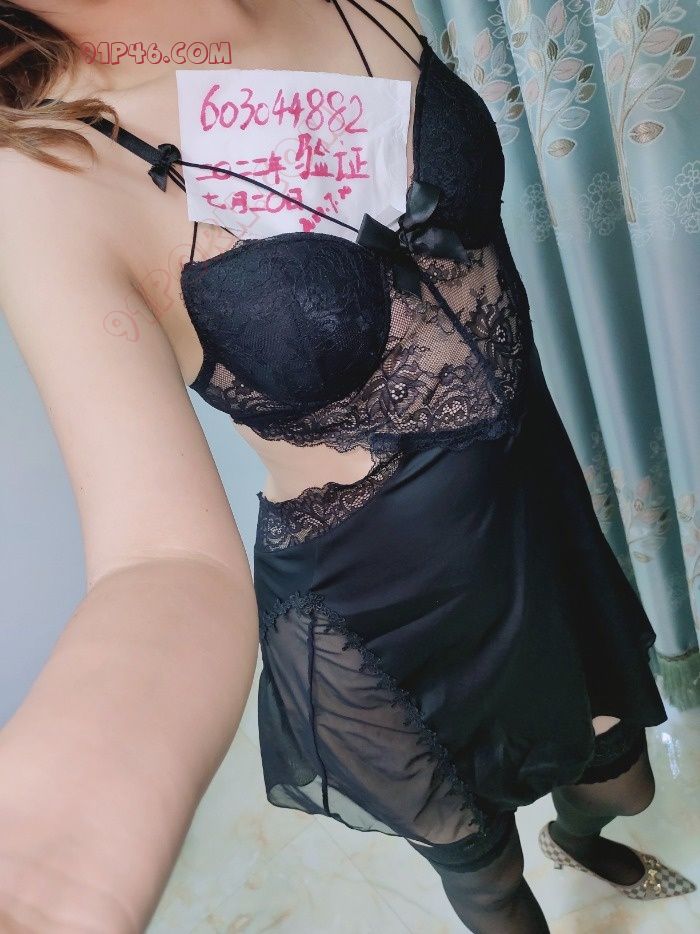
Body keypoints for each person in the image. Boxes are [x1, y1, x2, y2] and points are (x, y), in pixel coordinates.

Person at [0, 1, 694, 931]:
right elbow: (160, 558)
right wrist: (49, 844)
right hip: (383, 615)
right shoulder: (41, 173)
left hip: (537, 518)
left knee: (622, 786)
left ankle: (579, 835)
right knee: (489, 880)